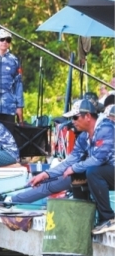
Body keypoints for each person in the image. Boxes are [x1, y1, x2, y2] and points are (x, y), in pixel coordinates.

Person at [8, 99, 115, 234]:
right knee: (75, 175)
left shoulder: (106, 128)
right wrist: (46, 174)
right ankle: (84, 219)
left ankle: (108, 218)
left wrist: (75, 168)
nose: (73, 121)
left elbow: (98, 159)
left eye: (75, 117)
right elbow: (69, 161)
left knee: (92, 171)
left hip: (107, 172)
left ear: (87, 116)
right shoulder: (84, 137)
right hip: (106, 174)